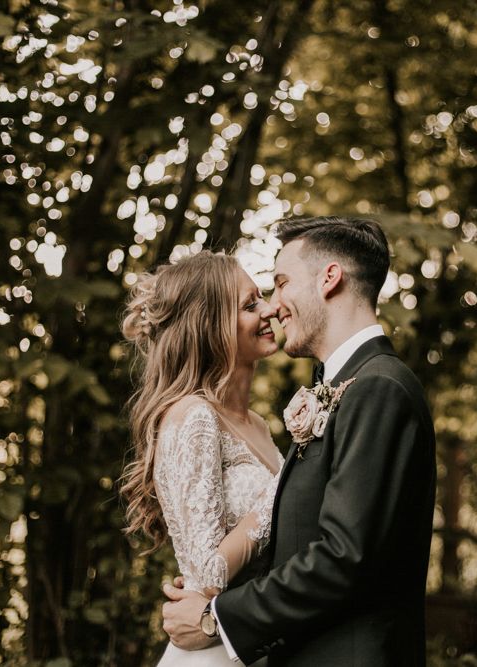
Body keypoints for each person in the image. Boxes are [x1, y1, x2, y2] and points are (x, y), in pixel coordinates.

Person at [162, 217, 437, 667]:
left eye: (281, 282)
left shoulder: (379, 388)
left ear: (329, 279)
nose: (274, 305)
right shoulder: (347, 386)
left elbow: (346, 556)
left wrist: (217, 617)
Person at [121, 250, 284, 666]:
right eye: (250, 305)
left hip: (256, 641)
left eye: (262, 297)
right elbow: (207, 571)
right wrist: (284, 489)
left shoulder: (259, 425)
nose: (269, 310)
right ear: (210, 325)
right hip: (211, 652)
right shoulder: (193, 416)